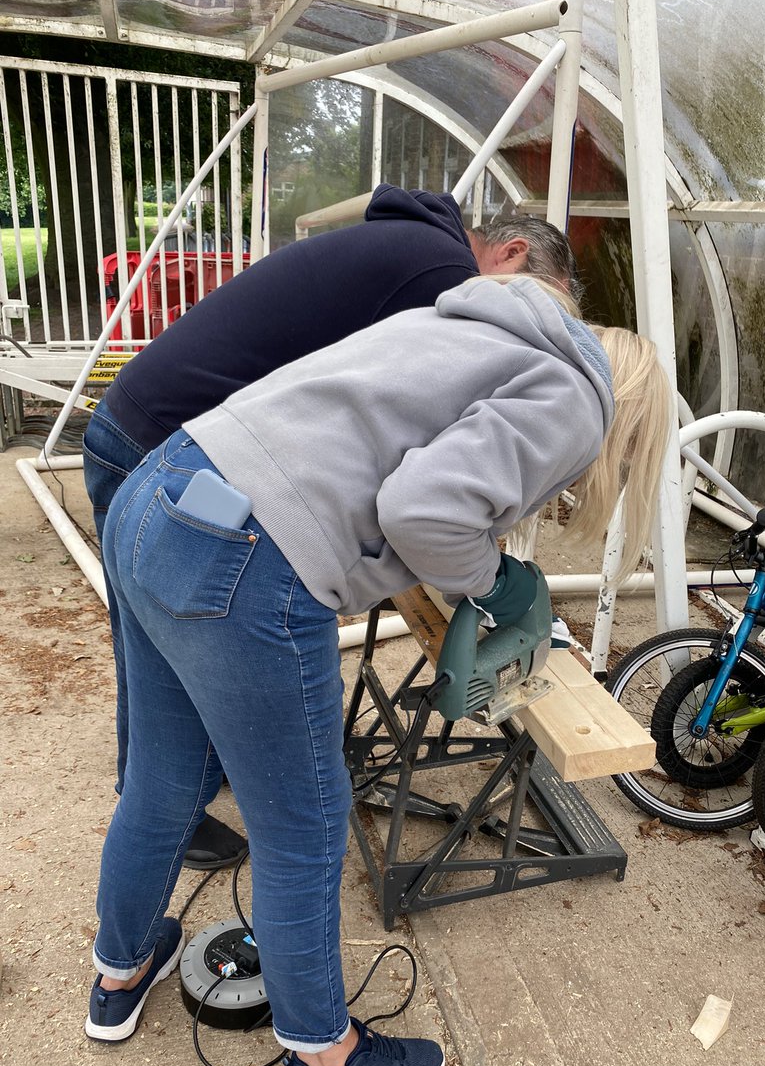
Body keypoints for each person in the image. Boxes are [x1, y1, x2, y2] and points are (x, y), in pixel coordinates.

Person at [84, 272, 673, 1066]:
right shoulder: (578, 401)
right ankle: (325, 1061)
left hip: (157, 492)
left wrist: (476, 567)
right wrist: (494, 579)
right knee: (304, 828)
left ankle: (118, 975)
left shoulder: (478, 325)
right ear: (634, 422)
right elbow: (423, 509)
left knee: (163, 781)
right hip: (247, 556)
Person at [82, 184, 582, 869]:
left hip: (163, 430)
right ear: (512, 256)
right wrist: (471, 560)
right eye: (546, 301)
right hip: (168, 444)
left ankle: (184, 787)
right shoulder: (448, 280)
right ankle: (172, 809)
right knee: (168, 650)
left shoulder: (416, 251)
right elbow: (411, 446)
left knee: (169, 640)